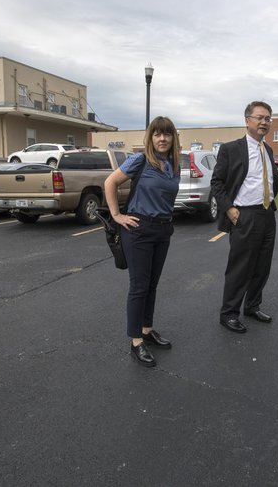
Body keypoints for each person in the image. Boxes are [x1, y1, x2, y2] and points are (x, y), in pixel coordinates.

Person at [104, 116, 181, 367]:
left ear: (173, 138)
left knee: (152, 285)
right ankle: (136, 341)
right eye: (157, 134)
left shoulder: (173, 164)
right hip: (138, 230)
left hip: (162, 230)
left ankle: (147, 330)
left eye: (166, 134)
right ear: (150, 137)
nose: (162, 138)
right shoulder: (141, 160)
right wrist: (116, 215)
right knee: (139, 287)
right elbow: (110, 182)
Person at [211, 101, 278, 333]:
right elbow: (217, 183)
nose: (264, 122)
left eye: (268, 118)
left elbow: (272, 181)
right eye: (259, 117)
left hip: (267, 214)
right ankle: (229, 313)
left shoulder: (268, 149)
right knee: (240, 267)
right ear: (247, 120)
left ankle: (252, 306)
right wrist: (230, 209)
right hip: (244, 215)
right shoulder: (231, 149)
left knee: (262, 266)